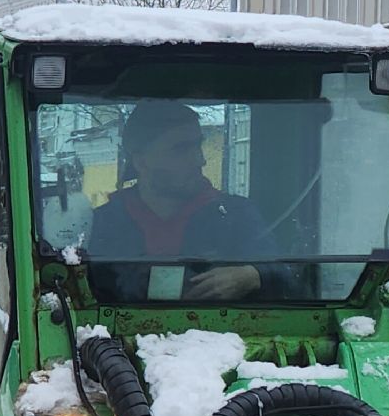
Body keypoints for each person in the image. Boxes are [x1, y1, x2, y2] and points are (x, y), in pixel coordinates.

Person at [86, 100, 293, 302]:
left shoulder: (235, 215)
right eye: (181, 149)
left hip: (223, 335)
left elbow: (287, 274)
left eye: (198, 145)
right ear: (141, 162)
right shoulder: (104, 224)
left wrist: (252, 276)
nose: (200, 160)